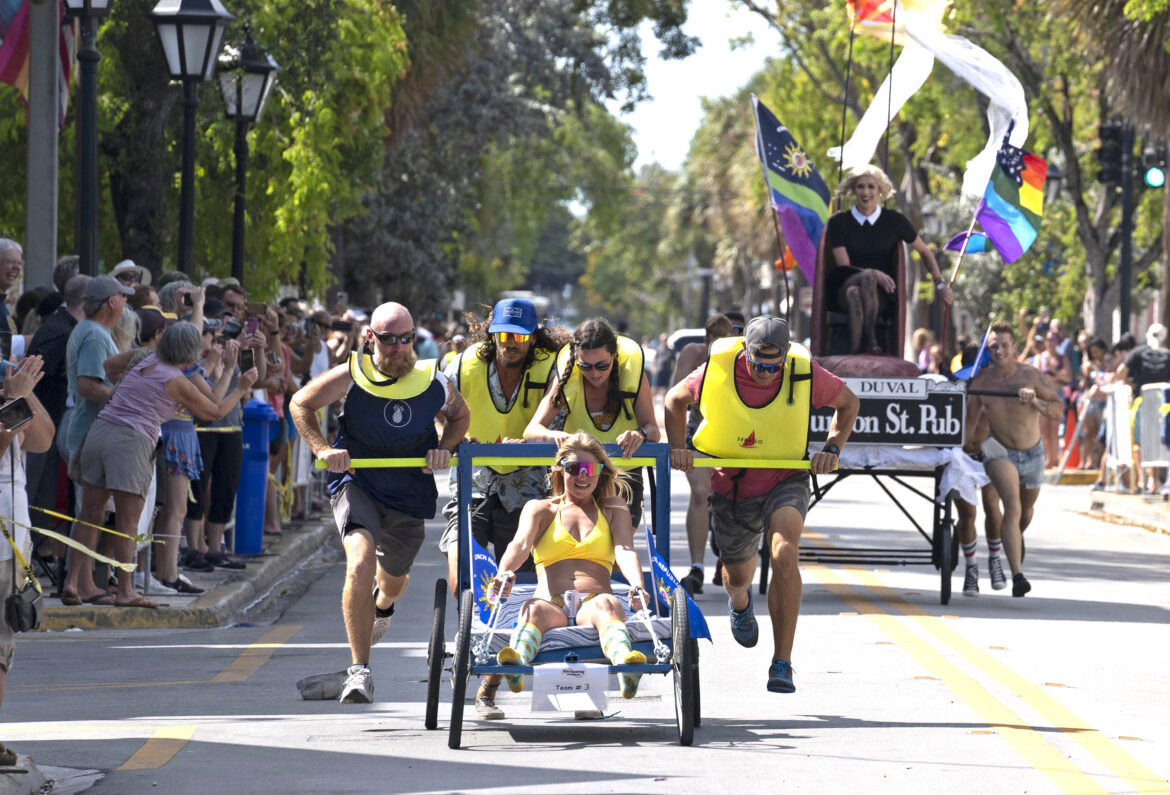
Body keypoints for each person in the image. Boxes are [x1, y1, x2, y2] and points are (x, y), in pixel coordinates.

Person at [664, 316, 858, 693]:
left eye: (774, 365)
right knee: (737, 579)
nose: (767, 372)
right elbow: (674, 401)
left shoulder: (804, 372)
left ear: (786, 357)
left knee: (785, 550)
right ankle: (739, 604)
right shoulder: (717, 368)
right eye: (758, 364)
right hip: (733, 486)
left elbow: (849, 404)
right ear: (745, 352)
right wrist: (678, 449)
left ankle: (782, 661)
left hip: (786, 478)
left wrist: (832, 449)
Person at [289, 302, 470, 704]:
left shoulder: (433, 381)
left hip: (408, 491)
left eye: (406, 339)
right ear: (370, 338)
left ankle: (382, 606)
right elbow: (300, 404)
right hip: (359, 483)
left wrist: (444, 448)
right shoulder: (352, 375)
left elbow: (460, 416)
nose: (398, 348)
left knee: (392, 583)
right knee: (359, 560)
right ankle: (359, 671)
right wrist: (321, 448)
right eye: (388, 340)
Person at [63, 322, 257, 607]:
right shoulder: (176, 381)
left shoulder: (143, 355)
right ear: (190, 354)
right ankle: (126, 589)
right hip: (131, 440)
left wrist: (126, 389)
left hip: (101, 429)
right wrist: (241, 387)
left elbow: (108, 365)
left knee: (90, 513)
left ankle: (72, 582)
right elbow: (214, 411)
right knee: (128, 521)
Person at [437, 297, 565, 719]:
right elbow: (439, 413)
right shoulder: (461, 364)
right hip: (473, 485)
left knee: (520, 589)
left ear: (533, 337)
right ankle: (468, 639)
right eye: (504, 335)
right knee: (464, 577)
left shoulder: (553, 367)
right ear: (491, 331)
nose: (511, 343)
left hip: (527, 491)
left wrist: (534, 440)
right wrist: (456, 437)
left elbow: (560, 422)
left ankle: (488, 689)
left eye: (520, 336)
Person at [490, 433, 650, 699]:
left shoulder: (613, 507)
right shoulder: (541, 508)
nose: (582, 476)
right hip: (550, 603)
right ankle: (516, 665)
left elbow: (624, 549)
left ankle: (626, 667)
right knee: (531, 610)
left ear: (600, 472)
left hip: (594, 599)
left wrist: (637, 586)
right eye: (574, 468)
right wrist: (504, 573)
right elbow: (520, 544)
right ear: (561, 469)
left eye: (590, 469)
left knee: (607, 606)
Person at [524, 317, 660, 524]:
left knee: (617, 550)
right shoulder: (566, 379)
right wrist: (553, 435)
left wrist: (639, 434)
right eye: (585, 366)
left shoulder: (633, 376)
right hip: (579, 478)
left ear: (614, 356)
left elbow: (653, 431)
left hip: (622, 476)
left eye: (602, 365)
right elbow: (531, 430)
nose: (594, 374)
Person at [963, 320, 1063, 598]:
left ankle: (1014, 539)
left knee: (1024, 513)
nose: (999, 350)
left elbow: (1057, 410)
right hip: (998, 449)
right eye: (994, 346)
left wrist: (1034, 402)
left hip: (1032, 452)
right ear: (988, 348)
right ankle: (1018, 576)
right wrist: (950, 449)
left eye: (1004, 345)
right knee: (1012, 505)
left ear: (1014, 347)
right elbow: (969, 426)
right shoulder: (981, 382)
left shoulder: (1031, 375)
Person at [826, 166, 953, 354]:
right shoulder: (839, 223)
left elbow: (925, 251)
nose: (866, 192)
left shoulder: (895, 221)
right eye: (860, 187)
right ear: (853, 190)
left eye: (871, 186)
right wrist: (874, 273)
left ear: (880, 190)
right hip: (846, 286)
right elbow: (845, 267)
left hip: (882, 296)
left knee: (857, 293)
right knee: (861, 283)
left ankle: (855, 350)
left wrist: (940, 284)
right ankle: (870, 342)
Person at [0, 356, 55, 768]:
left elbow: (43, 439)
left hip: (13, 541)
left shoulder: (11, 397)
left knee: (4, 641)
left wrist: (25, 392)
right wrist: (14, 399)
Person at [668, 313, 734, 595]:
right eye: (714, 341)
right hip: (698, 430)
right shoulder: (693, 355)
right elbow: (676, 396)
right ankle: (696, 567)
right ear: (706, 340)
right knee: (700, 493)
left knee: (733, 496)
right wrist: (678, 447)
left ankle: (728, 556)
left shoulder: (741, 359)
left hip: (734, 433)